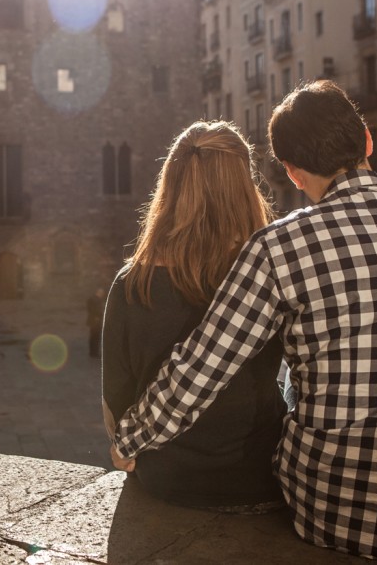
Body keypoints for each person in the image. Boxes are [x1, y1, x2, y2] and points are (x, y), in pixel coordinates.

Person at [111, 81, 377, 562]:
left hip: (328, 514)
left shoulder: (278, 246)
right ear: (368, 141)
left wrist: (130, 439)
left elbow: (201, 369)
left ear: (291, 172)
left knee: (295, 358)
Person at [101, 121, 286, 510]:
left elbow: (115, 401)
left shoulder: (131, 283)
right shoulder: (269, 274)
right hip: (256, 481)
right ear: (243, 186)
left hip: (165, 483)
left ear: (169, 185)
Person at [87, 287, 106, 357]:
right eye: (102, 293)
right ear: (98, 292)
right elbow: (93, 310)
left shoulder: (95, 299)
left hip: (94, 320)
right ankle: (94, 353)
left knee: (94, 337)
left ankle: (93, 352)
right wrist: (100, 315)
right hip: (95, 321)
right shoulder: (95, 300)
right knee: (95, 338)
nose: (102, 294)